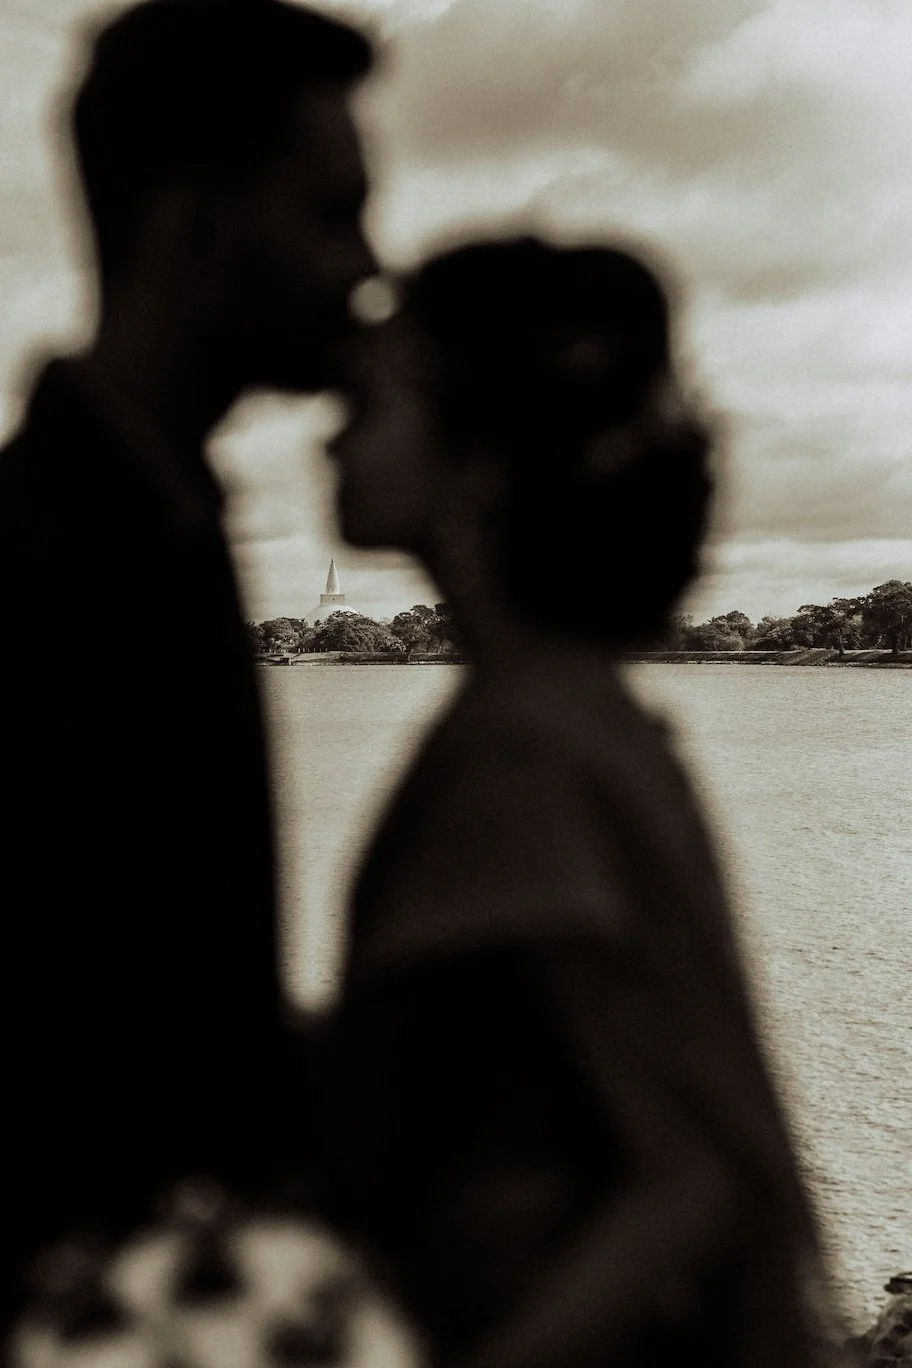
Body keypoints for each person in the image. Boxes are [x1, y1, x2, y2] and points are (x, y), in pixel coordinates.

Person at [317, 238, 837, 1367]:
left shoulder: (523, 753)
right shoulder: (578, 713)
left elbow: (689, 1179)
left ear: (479, 456)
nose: (330, 432)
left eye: (372, 398)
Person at [0, 0, 376, 1329]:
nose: (365, 267)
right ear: (198, 219)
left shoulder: (167, 513)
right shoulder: (39, 560)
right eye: (333, 213)